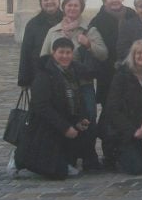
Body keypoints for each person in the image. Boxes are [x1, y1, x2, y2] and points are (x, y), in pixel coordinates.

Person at [11, 37, 93, 179]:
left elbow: (78, 99)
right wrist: (65, 127)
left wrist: (82, 119)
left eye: (68, 53)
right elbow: (41, 107)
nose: (65, 56)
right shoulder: (43, 74)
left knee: (86, 132)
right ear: (53, 53)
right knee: (56, 173)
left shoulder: (74, 71)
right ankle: (19, 159)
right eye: (61, 52)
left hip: (67, 119)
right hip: (45, 125)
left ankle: (64, 160)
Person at [39, 0, 105, 170]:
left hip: (83, 84)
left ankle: (89, 156)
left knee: (88, 119)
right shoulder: (54, 31)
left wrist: (89, 44)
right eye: (69, 5)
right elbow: (44, 57)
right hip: (59, 85)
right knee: (67, 119)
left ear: (81, 9)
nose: (72, 9)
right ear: (64, 7)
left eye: (76, 6)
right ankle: (69, 155)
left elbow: (103, 54)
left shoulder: (89, 30)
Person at [100, 39, 142, 174]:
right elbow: (113, 108)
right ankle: (120, 154)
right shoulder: (121, 76)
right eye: (139, 53)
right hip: (125, 127)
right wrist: (132, 130)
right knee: (135, 170)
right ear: (132, 56)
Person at [88, 0, 138, 106]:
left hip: (131, 66)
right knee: (110, 106)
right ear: (104, 1)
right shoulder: (98, 20)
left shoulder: (131, 14)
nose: (115, 0)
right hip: (107, 70)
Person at [18, 0, 63, 88]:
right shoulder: (33, 24)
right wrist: (24, 80)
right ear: (41, 3)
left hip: (64, 75)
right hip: (39, 74)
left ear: (59, 1)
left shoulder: (67, 20)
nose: (49, 2)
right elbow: (26, 51)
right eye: (46, 0)